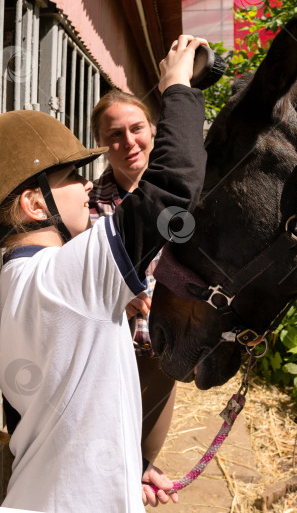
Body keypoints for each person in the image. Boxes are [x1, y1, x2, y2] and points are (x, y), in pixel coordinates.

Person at [0, 35, 208, 512]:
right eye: (71, 177)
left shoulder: (13, 282)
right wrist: (177, 85)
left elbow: (72, 409)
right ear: (35, 204)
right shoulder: (66, 280)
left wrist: (125, 471)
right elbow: (175, 182)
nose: (85, 184)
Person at [89, 89, 175, 464]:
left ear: (152, 129)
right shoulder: (87, 205)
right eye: (115, 135)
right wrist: (112, 298)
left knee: (143, 465)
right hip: (106, 355)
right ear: (101, 143)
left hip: (162, 354)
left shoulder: (185, 194)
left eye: (136, 128)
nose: (129, 142)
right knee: (104, 459)